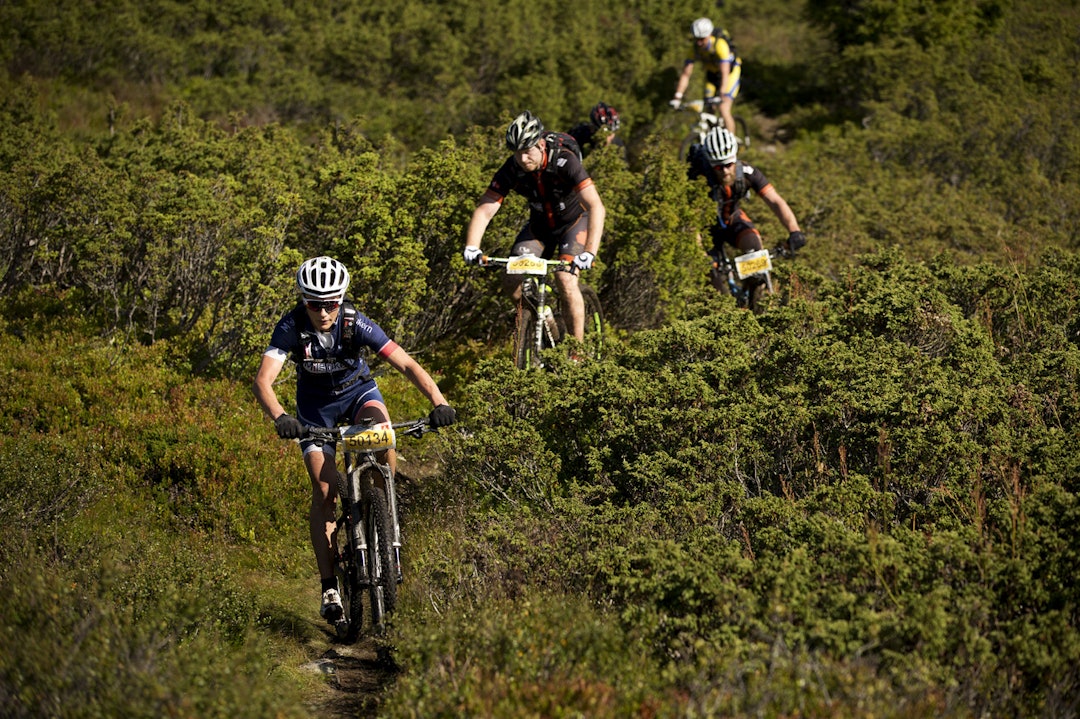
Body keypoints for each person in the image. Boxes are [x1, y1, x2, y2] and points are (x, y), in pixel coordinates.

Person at [252, 256, 456, 624]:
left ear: (341, 299)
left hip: (359, 393)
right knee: (325, 491)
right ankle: (330, 585)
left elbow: (407, 364)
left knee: (385, 439)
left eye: (331, 303)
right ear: (303, 301)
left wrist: (439, 403)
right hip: (315, 409)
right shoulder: (291, 326)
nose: (324, 311)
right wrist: (281, 417)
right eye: (315, 304)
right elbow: (263, 381)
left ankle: (385, 507)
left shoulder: (354, 321)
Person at [463, 110, 606, 343]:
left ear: (540, 145)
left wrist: (590, 252)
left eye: (527, 151)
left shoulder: (565, 161)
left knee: (566, 279)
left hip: (574, 223)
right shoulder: (512, 168)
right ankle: (543, 316)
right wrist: (472, 246)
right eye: (517, 153)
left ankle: (577, 352)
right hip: (540, 227)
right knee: (511, 279)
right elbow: (485, 209)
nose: (522, 159)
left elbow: (596, 207)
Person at [687, 126, 805, 291]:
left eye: (729, 164)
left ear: (735, 158)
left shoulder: (748, 172)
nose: (726, 171)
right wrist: (700, 253)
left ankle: (754, 298)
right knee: (712, 285)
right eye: (719, 167)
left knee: (756, 257)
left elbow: (775, 200)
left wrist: (794, 230)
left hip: (733, 220)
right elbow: (691, 223)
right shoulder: (697, 180)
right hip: (704, 230)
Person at [669, 17, 742, 137]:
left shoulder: (720, 45)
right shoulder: (693, 49)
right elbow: (686, 74)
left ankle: (731, 146)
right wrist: (678, 96)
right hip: (712, 74)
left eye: (702, 39)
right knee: (709, 108)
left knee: (723, 108)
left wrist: (721, 93)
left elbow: (725, 73)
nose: (699, 43)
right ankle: (714, 140)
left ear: (709, 35)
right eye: (696, 39)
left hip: (730, 74)